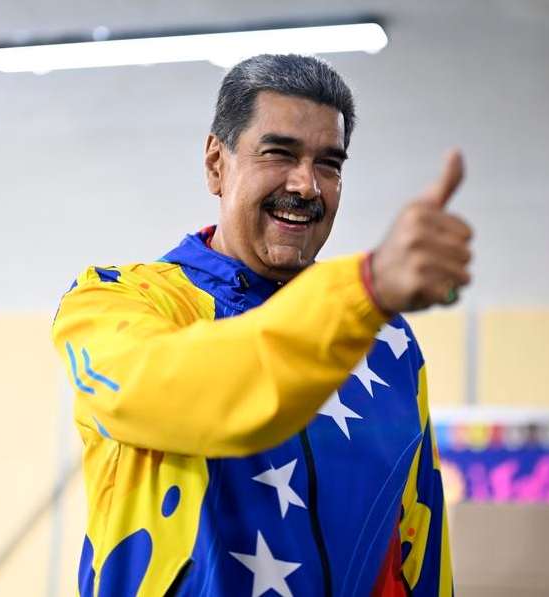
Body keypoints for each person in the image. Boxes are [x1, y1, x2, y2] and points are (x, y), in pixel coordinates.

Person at [52, 53, 472, 597]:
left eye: (329, 163)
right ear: (215, 163)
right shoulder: (116, 301)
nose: (307, 185)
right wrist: (363, 290)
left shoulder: (388, 341)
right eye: (280, 153)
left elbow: (418, 541)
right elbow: (202, 394)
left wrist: (363, 303)